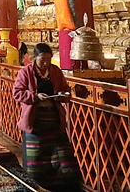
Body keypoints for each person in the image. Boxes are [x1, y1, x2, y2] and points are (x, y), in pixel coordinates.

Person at [12, 43, 81, 191]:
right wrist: (35, 96)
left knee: (61, 155)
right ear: (34, 58)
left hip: (54, 119)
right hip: (34, 120)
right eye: (42, 59)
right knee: (36, 158)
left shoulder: (55, 71)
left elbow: (65, 90)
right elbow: (17, 93)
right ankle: (36, 186)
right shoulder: (26, 72)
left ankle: (61, 186)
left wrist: (63, 95)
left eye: (48, 60)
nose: (45, 63)